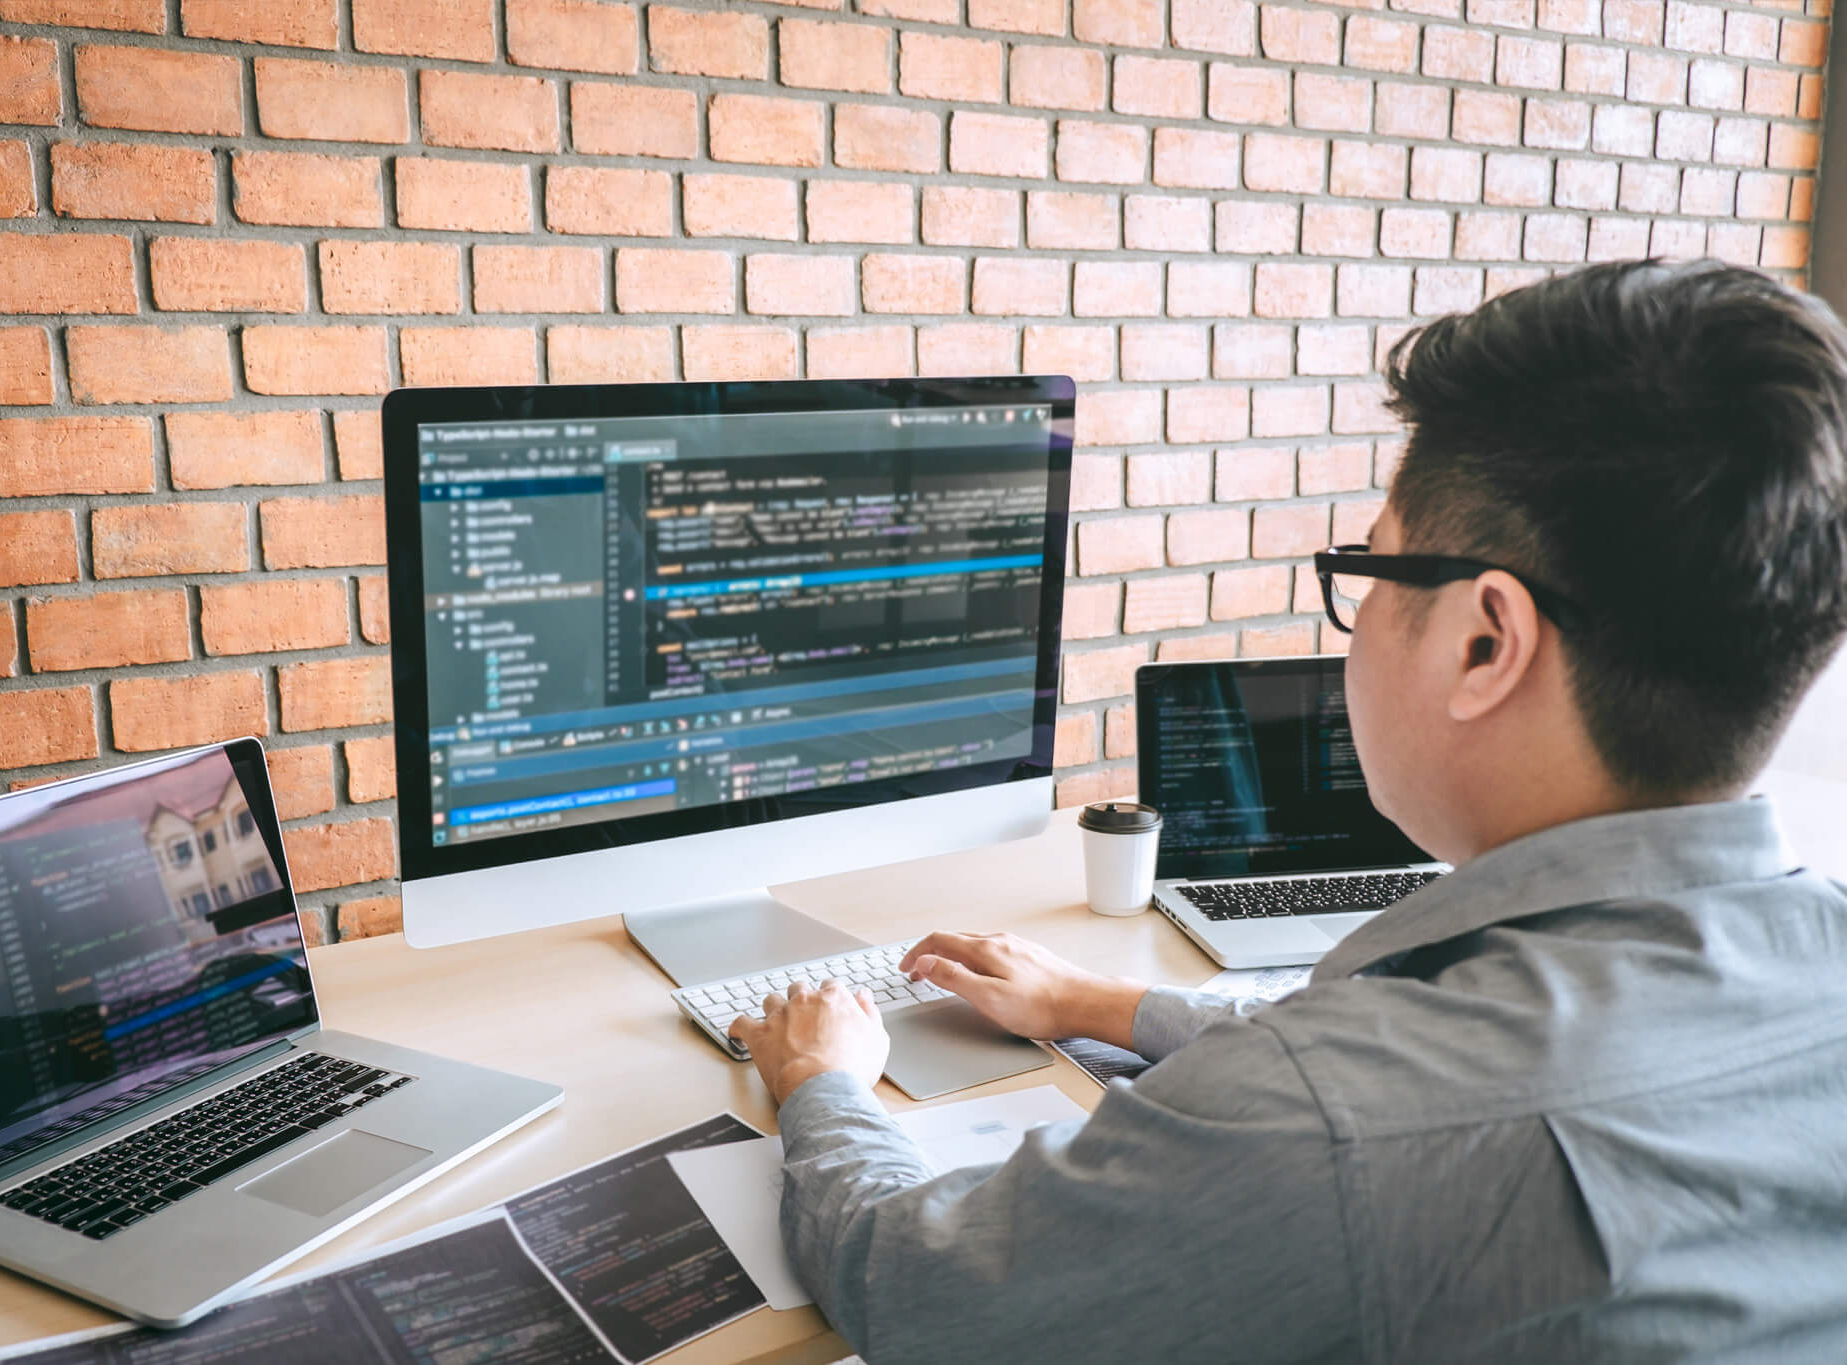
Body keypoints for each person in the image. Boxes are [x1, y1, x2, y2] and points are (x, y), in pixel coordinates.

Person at [728, 260, 1847, 1362]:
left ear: (1482, 643)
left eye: (1370, 574)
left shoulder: (1322, 1122)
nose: (1353, 621)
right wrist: (1100, 1003)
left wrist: (820, 1082)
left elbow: (919, 1288)